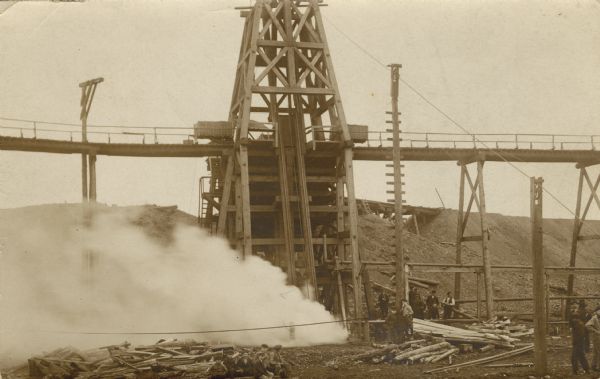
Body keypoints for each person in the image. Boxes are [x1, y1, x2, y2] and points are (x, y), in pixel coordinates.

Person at [570, 303, 591, 375]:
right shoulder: (579, 324)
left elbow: (579, 335)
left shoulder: (578, 324)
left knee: (575, 357)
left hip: (578, 342)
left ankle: (576, 370)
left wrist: (575, 342)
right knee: (580, 355)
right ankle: (586, 369)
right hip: (579, 341)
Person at [586, 306, 600, 372]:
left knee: (597, 352)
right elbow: (587, 325)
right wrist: (596, 331)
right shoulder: (594, 318)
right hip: (597, 338)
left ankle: (594, 366)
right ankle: (595, 366)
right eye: (599, 311)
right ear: (597, 311)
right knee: (597, 352)